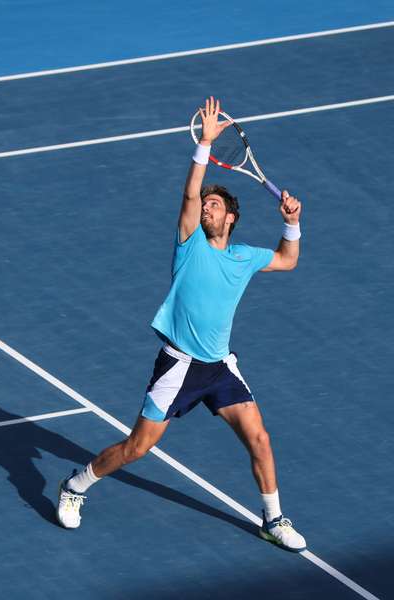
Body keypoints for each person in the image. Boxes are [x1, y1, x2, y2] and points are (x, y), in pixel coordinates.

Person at [55, 97, 306, 552]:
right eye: (205, 205)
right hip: (179, 367)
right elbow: (188, 195)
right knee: (137, 448)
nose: (206, 209)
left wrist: (292, 223)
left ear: (230, 217)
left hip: (219, 368)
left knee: (260, 439)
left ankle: (273, 518)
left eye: (214, 206)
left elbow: (288, 259)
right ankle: (76, 485)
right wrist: (205, 147)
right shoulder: (189, 245)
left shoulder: (245, 256)